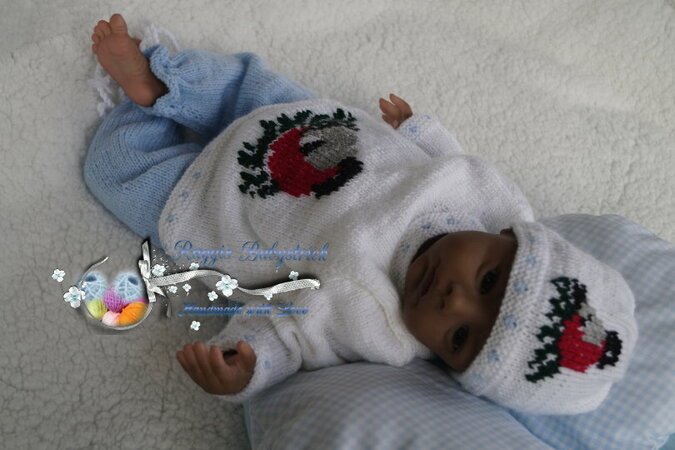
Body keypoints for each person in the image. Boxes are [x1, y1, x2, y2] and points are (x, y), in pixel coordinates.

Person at [85, 14, 638, 414]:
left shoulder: (379, 324)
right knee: (246, 83)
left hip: (219, 205)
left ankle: (144, 108)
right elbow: (452, 162)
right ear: (511, 237)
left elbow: (298, 333)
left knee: (117, 171)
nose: (453, 302)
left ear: (449, 366)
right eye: (488, 281)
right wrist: (418, 130)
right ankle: (165, 79)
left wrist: (249, 363)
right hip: (312, 127)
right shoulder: (495, 204)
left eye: (460, 337)